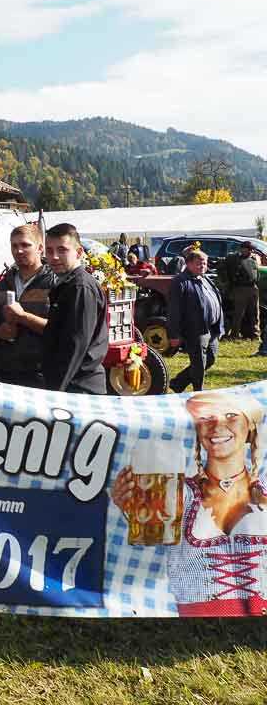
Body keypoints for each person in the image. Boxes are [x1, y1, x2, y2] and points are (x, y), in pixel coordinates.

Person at [112, 390, 267, 616]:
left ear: (249, 427)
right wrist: (130, 508)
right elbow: (150, 545)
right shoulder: (176, 491)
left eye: (231, 416)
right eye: (206, 418)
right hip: (197, 621)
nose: (217, 426)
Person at [41, 223, 109, 394]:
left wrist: (55, 392)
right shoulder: (66, 284)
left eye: (62, 250)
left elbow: (75, 345)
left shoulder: (80, 287)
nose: (54, 257)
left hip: (78, 388)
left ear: (78, 252)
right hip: (72, 384)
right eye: (49, 251)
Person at [0, 224, 56, 388]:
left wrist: (23, 318)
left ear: (40, 248)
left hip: (41, 375)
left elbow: (62, 331)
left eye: (25, 245)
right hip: (4, 372)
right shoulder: (4, 283)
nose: (19, 251)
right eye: (14, 246)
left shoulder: (55, 283)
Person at [168, 249, 224, 392]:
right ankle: (198, 391)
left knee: (210, 359)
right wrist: (174, 334)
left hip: (212, 328)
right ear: (188, 264)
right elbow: (174, 310)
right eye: (199, 263)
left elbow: (216, 300)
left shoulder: (205, 279)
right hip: (195, 329)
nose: (203, 266)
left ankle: (178, 383)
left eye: (204, 263)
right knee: (199, 362)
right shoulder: (180, 281)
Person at [224, 241, 260, 340]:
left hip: (253, 287)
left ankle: (255, 334)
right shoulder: (235, 259)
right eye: (249, 249)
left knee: (254, 313)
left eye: (252, 250)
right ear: (243, 249)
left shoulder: (253, 258)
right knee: (238, 313)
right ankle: (234, 334)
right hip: (240, 288)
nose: (251, 251)